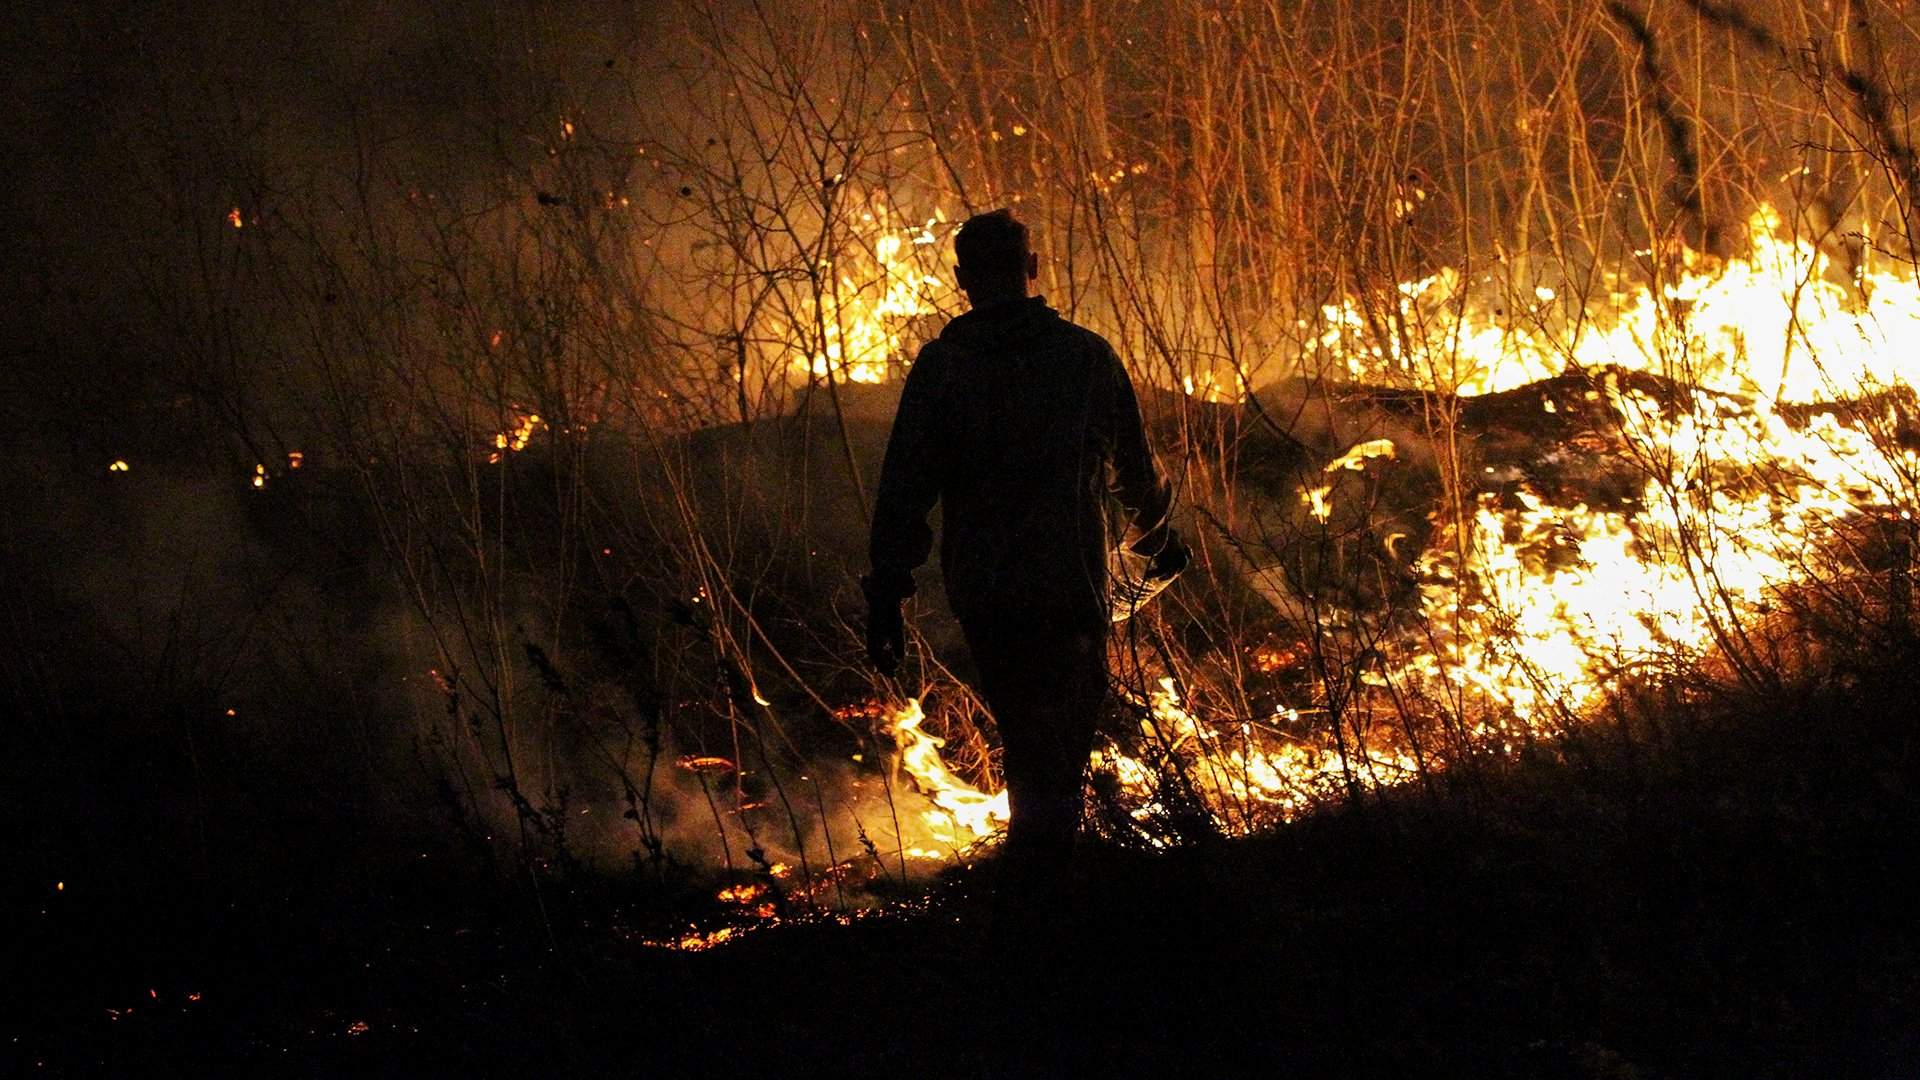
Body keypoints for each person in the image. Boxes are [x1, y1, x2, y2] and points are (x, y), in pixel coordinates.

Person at [862, 208, 1188, 875]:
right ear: (1031, 268)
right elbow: (1136, 473)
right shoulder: (1082, 356)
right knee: (1058, 753)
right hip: (1070, 588)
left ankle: (1039, 895)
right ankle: (1044, 898)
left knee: (1029, 741)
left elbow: (904, 492)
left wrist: (886, 595)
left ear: (961, 279)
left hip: (989, 597)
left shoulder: (942, 370)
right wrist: (1156, 540)